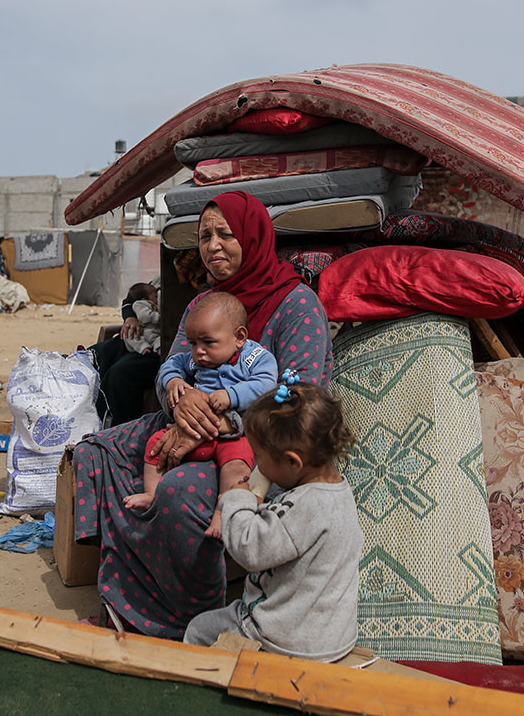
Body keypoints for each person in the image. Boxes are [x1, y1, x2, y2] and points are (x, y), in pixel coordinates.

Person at [72, 191, 333, 639]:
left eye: (226, 234)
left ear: (252, 237)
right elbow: (172, 365)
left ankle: (185, 621)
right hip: (186, 419)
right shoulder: (202, 304)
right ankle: (126, 601)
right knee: (95, 452)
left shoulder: (295, 305)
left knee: (177, 492)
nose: (213, 245)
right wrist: (177, 393)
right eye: (205, 235)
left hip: (257, 440)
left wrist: (220, 421)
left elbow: (299, 394)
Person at [183, 381, 360, 661]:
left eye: (260, 456)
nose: (257, 465)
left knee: (199, 630)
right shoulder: (338, 492)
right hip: (329, 636)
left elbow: (250, 550)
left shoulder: (305, 506)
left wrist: (236, 501)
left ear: (293, 462)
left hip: (285, 640)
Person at [125, 292, 278, 539]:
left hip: (233, 435)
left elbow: (266, 384)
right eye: (193, 343)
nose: (199, 352)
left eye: (208, 343)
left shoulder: (254, 358)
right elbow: (171, 364)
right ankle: (152, 494)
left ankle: (222, 514)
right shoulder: (196, 360)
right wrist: (173, 379)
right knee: (155, 445)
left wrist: (231, 395)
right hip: (193, 431)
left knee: (237, 468)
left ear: (239, 337)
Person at [91, 281, 162, 425]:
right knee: (96, 355)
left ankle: (118, 429)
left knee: (119, 373)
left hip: (159, 345)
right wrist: (130, 317)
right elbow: (131, 299)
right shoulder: (158, 280)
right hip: (137, 337)